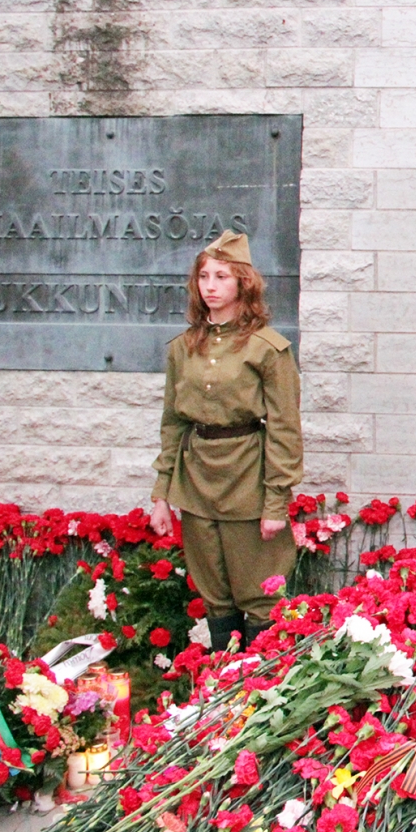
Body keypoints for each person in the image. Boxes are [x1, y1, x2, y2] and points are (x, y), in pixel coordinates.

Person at [148, 230, 303, 651]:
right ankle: (222, 682)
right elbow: (173, 423)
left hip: (246, 479)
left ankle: (262, 687)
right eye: (204, 276)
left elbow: (285, 429)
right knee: (214, 592)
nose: (211, 286)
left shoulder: (266, 349)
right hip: (197, 483)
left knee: (260, 593)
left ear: (243, 284)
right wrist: (162, 494)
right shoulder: (184, 348)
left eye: (222, 276)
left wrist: (275, 502)